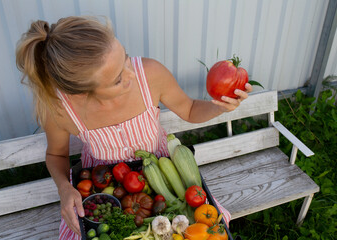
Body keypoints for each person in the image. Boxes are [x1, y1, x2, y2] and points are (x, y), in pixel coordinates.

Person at [16, 16, 252, 239]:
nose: (132, 74)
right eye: (118, 78)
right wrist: (64, 188)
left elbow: (189, 109)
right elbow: (56, 154)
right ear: (82, 93)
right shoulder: (60, 108)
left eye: (125, 58)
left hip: (164, 173)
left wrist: (220, 107)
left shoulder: (150, 73)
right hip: (107, 187)